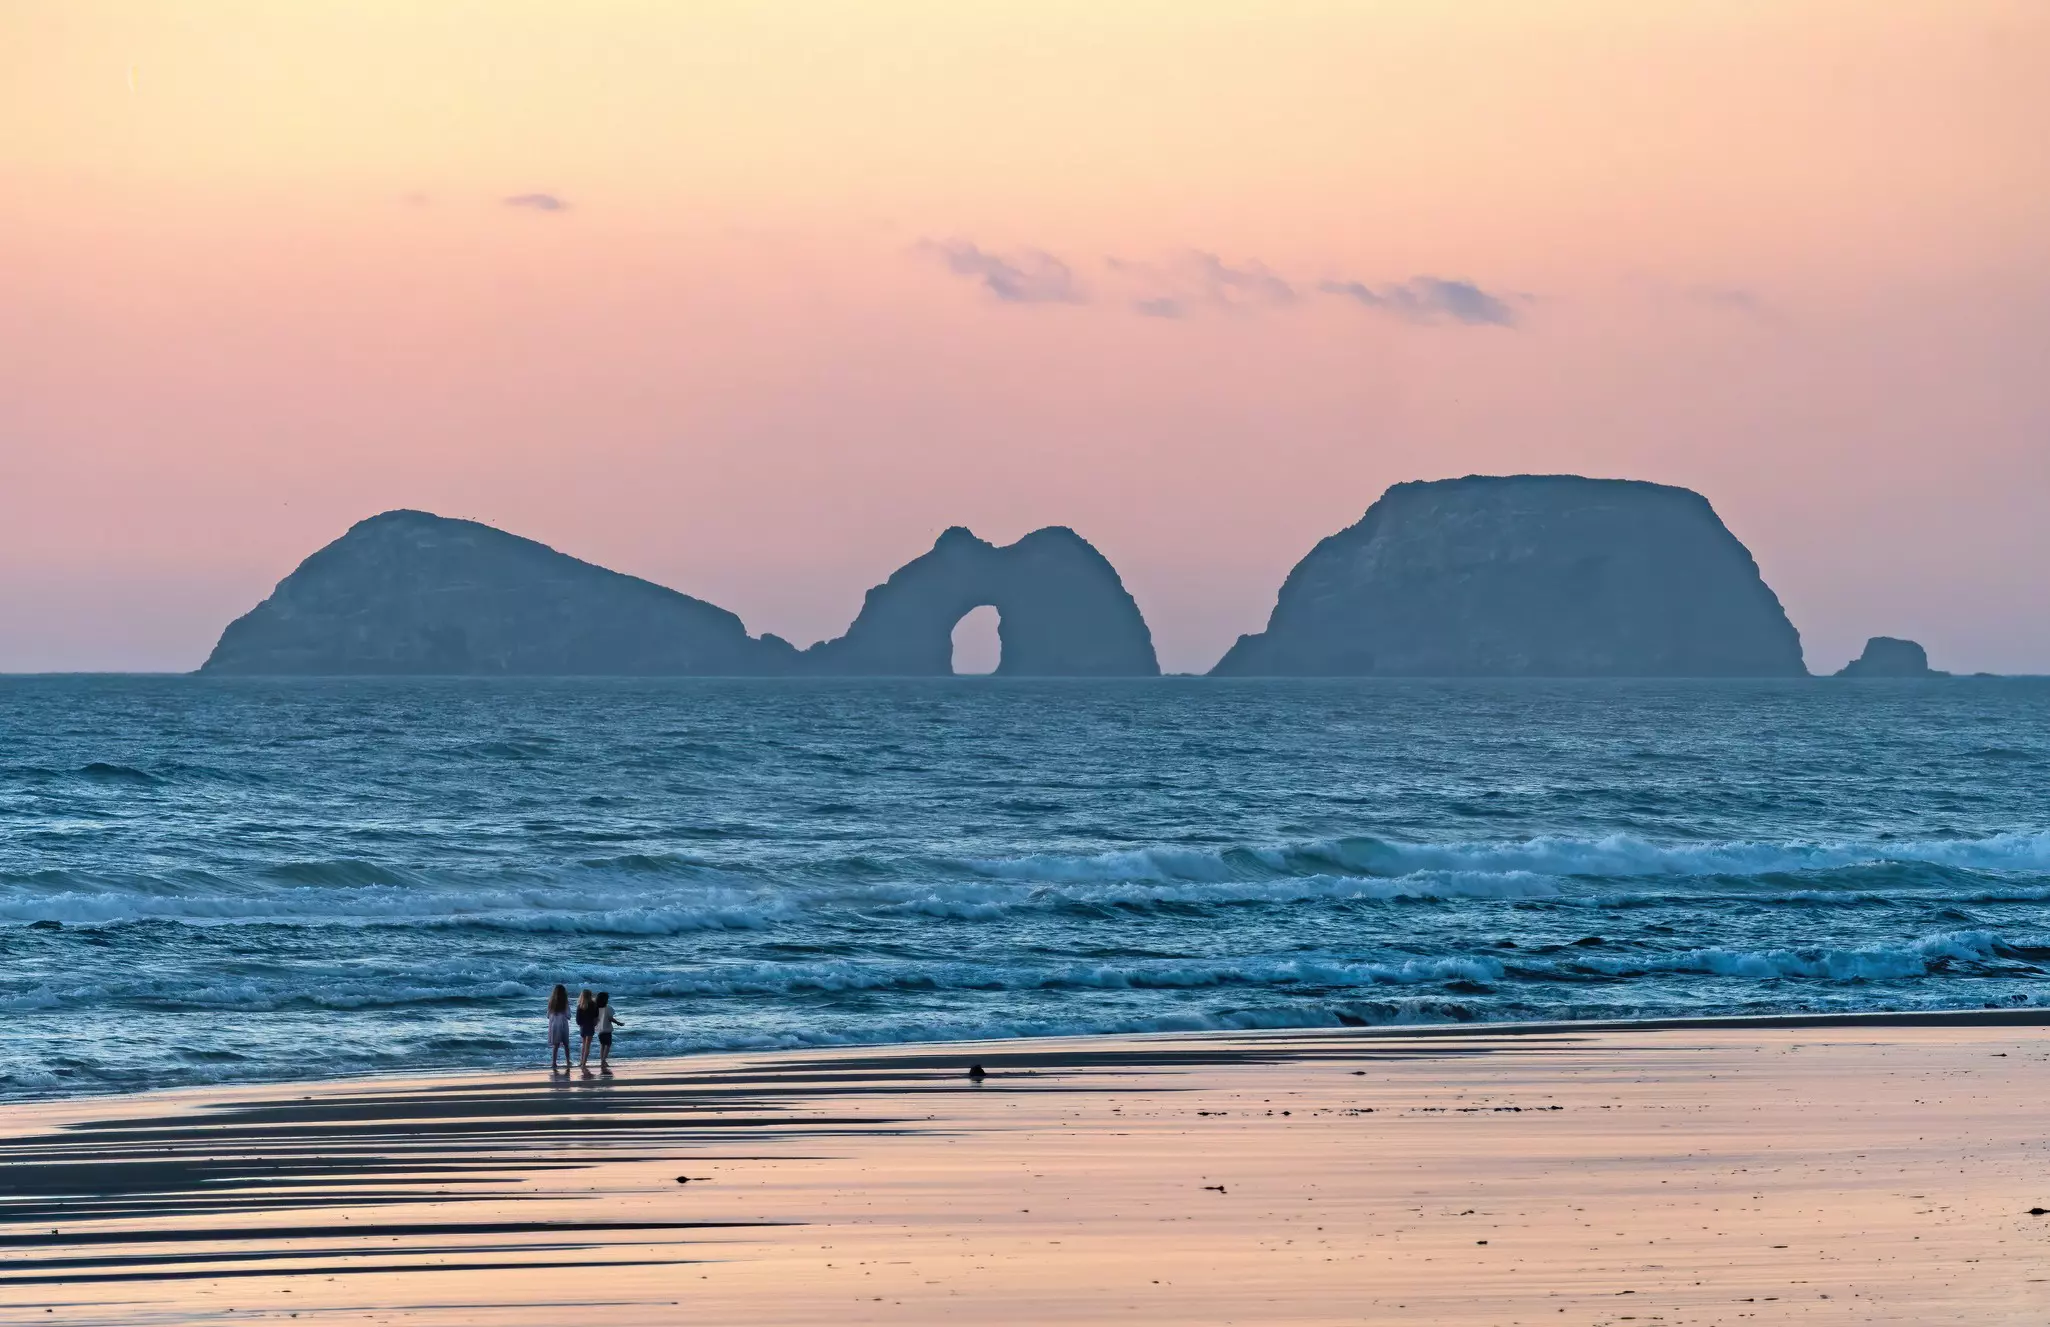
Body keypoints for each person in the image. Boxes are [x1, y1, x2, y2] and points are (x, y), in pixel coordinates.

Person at [595, 991, 623, 1072]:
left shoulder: (596, 1008)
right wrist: (618, 1023)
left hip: (599, 1030)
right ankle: (603, 1060)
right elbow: (610, 1018)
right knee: (608, 1045)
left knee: (602, 1045)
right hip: (607, 1029)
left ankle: (602, 1060)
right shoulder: (608, 1008)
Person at [546, 984, 572, 1072]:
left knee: (556, 1045)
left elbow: (548, 1015)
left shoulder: (551, 1002)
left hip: (553, 1025)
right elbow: (568, 1015)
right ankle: (568, 1061)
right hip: (563, 1024)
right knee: (566, 1044)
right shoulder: (565, 1002)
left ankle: (554, 1062)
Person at [575, 988, 599, 1071]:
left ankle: (581, 1062)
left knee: (583, 1045)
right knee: (587, 1045)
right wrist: (594, 1024)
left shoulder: (580, 1006)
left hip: (583, 1027)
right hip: (590, 1026)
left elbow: (578, 1020)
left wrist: (581, 1024)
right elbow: (596, 1018)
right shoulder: (594, 1005)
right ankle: (584, 1062)